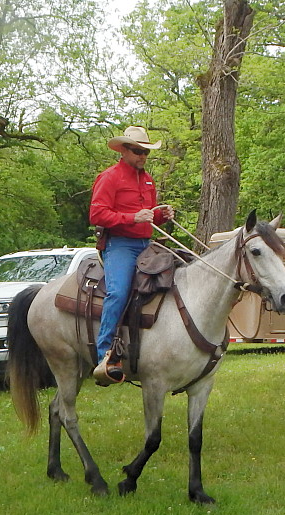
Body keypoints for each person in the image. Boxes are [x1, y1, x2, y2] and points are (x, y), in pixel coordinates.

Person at [89, 126, 174, 386]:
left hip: (145, 242)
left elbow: (148, 214)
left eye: (145, 152)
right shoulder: (110, 177)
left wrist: (161, 215)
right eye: (138, 151)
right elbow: (97, 214)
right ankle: (105, 354)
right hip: (120, 244)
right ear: (124, 150)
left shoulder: (147, 179)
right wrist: (131, 218)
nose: (143, 156)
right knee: (118, 291)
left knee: (172, 281)